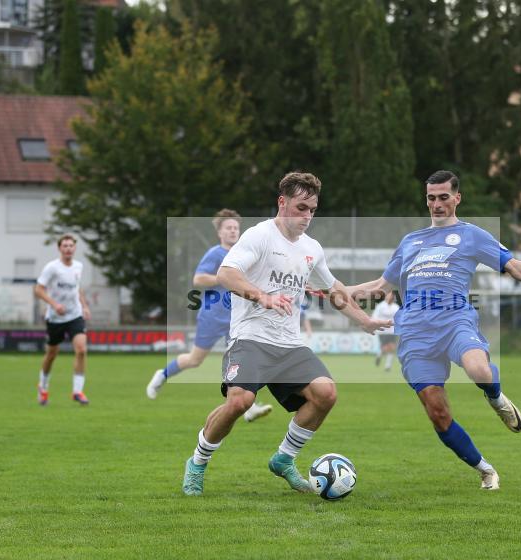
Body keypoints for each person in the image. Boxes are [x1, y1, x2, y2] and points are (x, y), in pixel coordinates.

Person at [347, 170, 521, 490]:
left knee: (478, 368)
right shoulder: (410, 242)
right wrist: (337, 290)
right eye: (431, 198)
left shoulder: (472, 235)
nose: (437, 204)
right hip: (414, 333)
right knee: (438, 414)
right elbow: (379, 285)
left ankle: (497, 400)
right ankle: (486, 470)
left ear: (457, 198)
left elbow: (513, 266)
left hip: (454, 320)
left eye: (444, 197)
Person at [182, 172, 391, 496]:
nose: (307, 216)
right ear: (282, 202)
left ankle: (284, 459)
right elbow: (226, 273)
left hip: (289, 344)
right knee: (240, 401)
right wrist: (261, 296)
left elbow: (333, 289)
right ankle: (197, 462)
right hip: (250, 337)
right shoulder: (259, 236)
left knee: (326, 393)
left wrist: (364, 321)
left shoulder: (312, 249)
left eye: (312, 210)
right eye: (301, 207)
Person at [146, 210, 273, 422]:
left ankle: (247, 408)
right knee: (195, 360)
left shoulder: (244, 253)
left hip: (237, 319)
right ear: (219, 232)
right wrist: (223, 279)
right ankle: (162, 375)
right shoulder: (215, 253)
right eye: (228, 228)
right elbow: (198, 279)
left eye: (235, 228)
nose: (233, 231)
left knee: (241, 361)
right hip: (212, 316)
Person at [34, 234, 92, 406]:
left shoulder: (78, 266)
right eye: (65, 246)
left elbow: (77, 288)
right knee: (51, 355)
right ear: (59, 248)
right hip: (55, 317)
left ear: (75, 248)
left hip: (75, 315)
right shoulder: (52, 267)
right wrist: (54, 304)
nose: (68, 248)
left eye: (71, 246)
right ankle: (43, 387)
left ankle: (78, 391)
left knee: (81, 349)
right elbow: (38, 289)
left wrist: (85, 306)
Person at [371, 291, 400, 371]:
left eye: (392, 296)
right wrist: (376, 324)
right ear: (386, 296)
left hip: (392, 331)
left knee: (392, 347)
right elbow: (374, 316)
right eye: (389, 295)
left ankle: (388, 366)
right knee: (385, 347)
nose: (391, 297)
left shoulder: (396, 307)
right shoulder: (380, 306)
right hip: (382, 330)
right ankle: (379, 355)